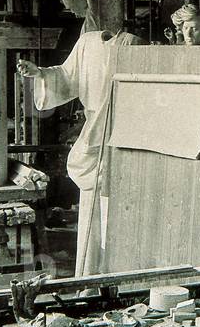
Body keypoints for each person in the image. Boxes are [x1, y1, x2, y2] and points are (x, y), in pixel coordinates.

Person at [17, 29, 142, 275]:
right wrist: (40, 73)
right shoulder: (86, 42)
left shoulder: (133, 43)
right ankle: (92, 272)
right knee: (92, 210)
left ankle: (117, 272)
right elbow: (66, 75)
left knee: (118, 211)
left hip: (124, 129)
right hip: (95, 130)